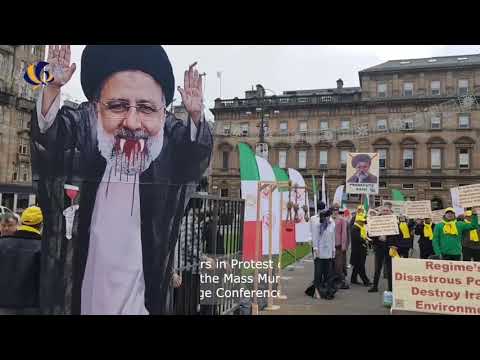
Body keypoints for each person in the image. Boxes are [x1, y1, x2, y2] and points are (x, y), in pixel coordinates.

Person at [31, 45, 213, 315]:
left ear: (163, 114)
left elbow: (192, 153)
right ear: (96, 110)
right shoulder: (84, 129)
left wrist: (196, 116)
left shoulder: (168, 139)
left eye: (146, 108)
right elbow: (51, 136)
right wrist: (53, 89)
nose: (132, 122)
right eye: (117, 106)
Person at [0, 206, 43, 315]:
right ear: (41, 225)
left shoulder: (2, 244)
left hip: (3, 304)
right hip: (32, 305)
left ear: (22, 222)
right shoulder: (43, 248)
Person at [368, 207, 399, 293]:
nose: (385, 212)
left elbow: (396, 236)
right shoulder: (375, 221)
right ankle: (375, 286)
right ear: (380, 212)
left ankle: (391, 288)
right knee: (377, 268)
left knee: (390, 269)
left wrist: (387, 239)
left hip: (389, 248)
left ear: (390, 212)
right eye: (384, 210)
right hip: (379, 247)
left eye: (387, 210)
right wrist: (378, 237)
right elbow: (370, 234)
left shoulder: (394, 222)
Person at [310, 208, 336, 299]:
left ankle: (328, 291)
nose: (329, 219)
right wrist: (315, 249)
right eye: (327, 217)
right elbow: (315, 237)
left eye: (329, 217)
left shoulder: (332, 224)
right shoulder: (318, 225)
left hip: (328, 253)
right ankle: (316, 291)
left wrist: (333, 250)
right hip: (319, 253)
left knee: (329, 274)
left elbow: (333, 238)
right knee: (318, 273)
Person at [331, 203, 349, 289]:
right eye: (334, 210)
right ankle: (333, 281)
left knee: (339, 264)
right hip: (330, 245)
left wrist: (343, 245)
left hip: (338, 245)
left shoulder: (342, 220)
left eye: (336, 209)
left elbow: (344, 233)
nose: (335, 211)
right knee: (331, 264)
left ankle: (342, 281)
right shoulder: (329, 219)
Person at [350, 213, 371, 286]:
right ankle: (366, 281)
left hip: (360, 249)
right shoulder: (355, 228)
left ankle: (353, 279)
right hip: (358, 250)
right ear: (358, 221)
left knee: (357, 266)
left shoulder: (359, 227)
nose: (363, 222)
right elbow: (359, 239)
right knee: (360, 266)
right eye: (362, 221)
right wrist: (366, 240)